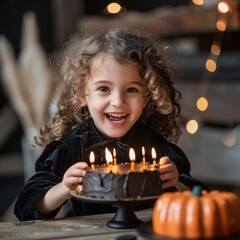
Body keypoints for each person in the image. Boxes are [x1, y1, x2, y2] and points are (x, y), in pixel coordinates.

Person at [14, 28, 208, 221]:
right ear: (81, 94)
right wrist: (64, 188)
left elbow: (202, 198)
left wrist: (176, 184)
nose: (118, 101)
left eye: (131, 89)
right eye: (104, 88)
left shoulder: (157, 148)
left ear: (148, 96)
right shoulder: (70, 148)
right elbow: (27, 208)